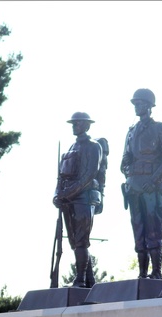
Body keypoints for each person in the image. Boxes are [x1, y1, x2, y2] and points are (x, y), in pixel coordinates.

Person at [121, 88, 162, 280]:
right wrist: (131, 178)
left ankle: (157, 271)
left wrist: (153, 181)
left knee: (154, 229)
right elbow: (124, 161)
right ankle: (142, 273)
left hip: (152, 188)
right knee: (138, 229)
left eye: (140, 103)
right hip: (135, 188)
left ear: (150, 106)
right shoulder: (131, 132)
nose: (137, 106)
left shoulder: (160, 128)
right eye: (135, 103)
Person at [54, 112, 104, 288]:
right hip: (69, 200)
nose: (74, 126)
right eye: (73, 124)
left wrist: (69, 192)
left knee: (81, 240)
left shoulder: (93, 146)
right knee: (74, 241)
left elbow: (90, 174)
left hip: (83, 198)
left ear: (86, 125)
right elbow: (61, 176)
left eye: (78, 123)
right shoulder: (70, 148)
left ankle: (80, 279)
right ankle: (89, 280)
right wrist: (57, 194)